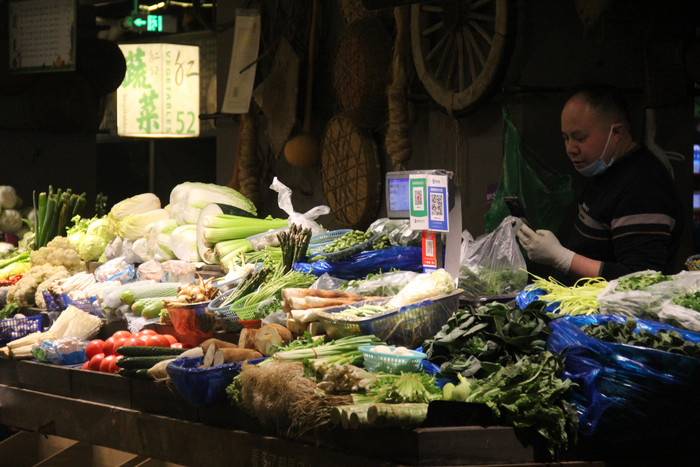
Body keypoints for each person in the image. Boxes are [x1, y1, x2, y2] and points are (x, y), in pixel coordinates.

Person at [516, 82, 684, 281]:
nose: (570, 148)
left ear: (617, 132)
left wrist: (561, 258)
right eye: (566, 138)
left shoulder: (643, 185)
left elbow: (642, 278)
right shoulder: (608, 170)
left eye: (579, 138)